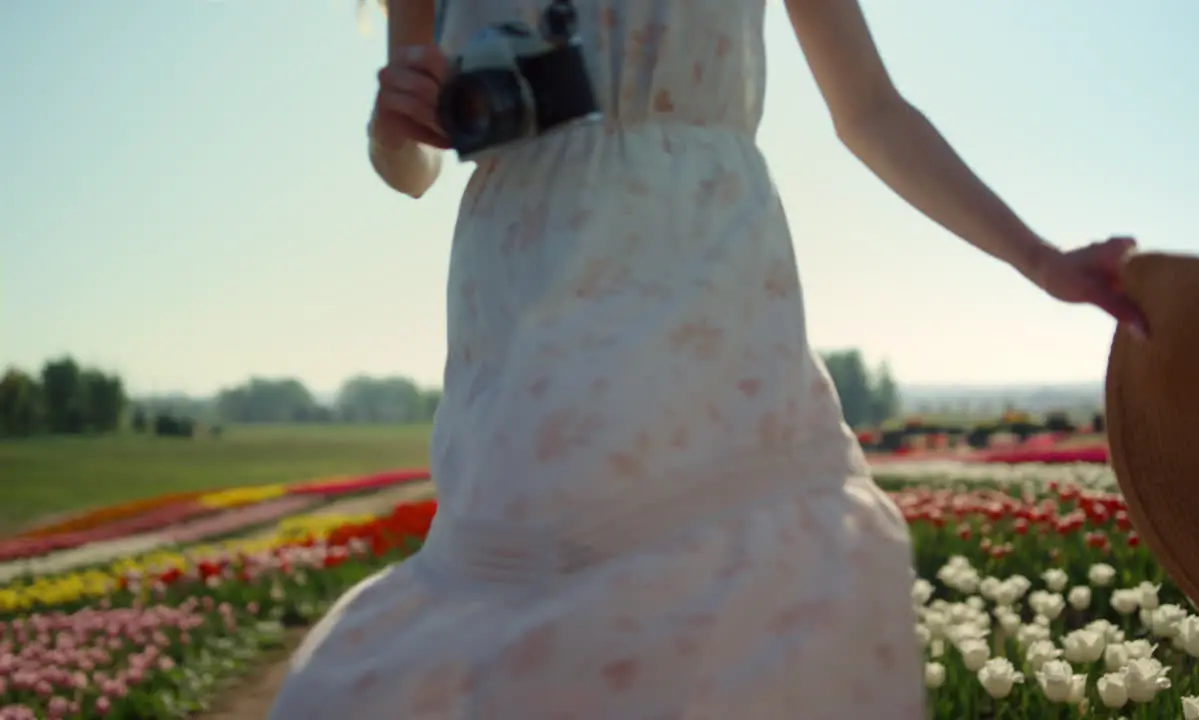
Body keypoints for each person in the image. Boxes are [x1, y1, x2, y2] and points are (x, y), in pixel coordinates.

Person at [269, 0, 1146, 717]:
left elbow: (869, 109)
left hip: (710, 281)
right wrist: (393, 127)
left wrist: (1038, 259)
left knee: (748, 589)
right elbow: (412, 162)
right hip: (524, 320)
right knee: (536, 613)